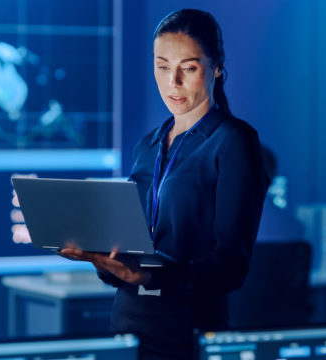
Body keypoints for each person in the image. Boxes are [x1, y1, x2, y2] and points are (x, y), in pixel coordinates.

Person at [61, 9, 268, 360]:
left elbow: (231, 265)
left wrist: (152, 277)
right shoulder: (148, 145)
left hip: (188, 335)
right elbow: (131, 247)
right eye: (162, 66)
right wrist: (105, 262)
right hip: (128, 328)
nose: (172, 82)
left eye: (188, 68)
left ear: (216, 66)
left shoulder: (235, 141)